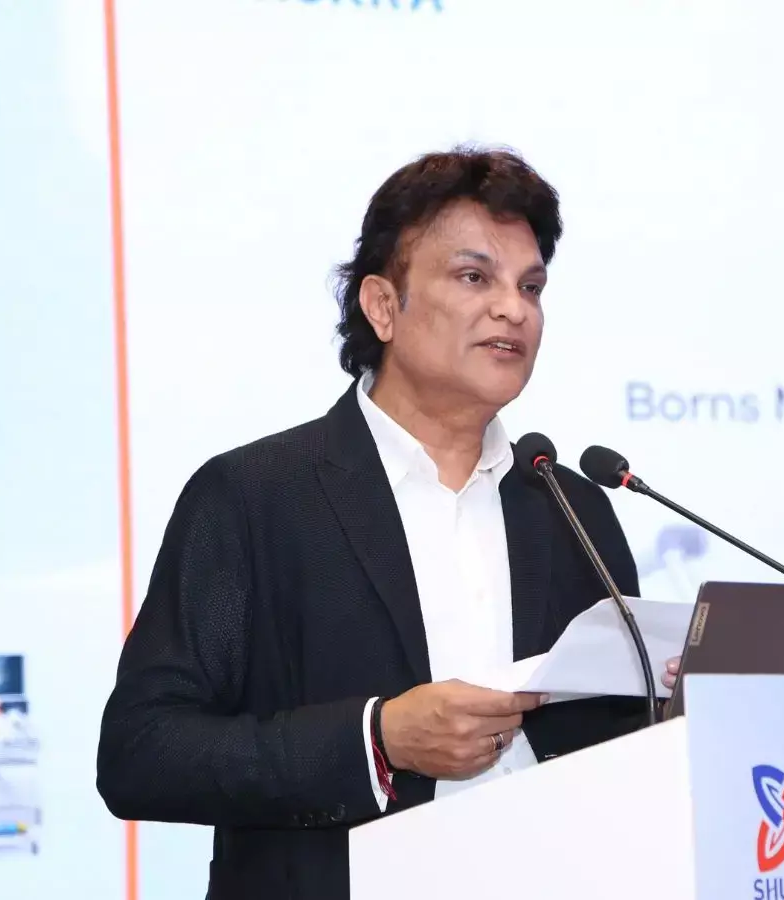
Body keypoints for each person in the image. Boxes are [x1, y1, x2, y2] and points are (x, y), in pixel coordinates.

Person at [96, 145, 680, 900]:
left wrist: (675, 713)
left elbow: (612, 749)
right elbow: (142, 753)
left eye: (530, 286)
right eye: (474, 277)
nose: (514, 309)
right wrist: (375, 740)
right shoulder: (255, 496)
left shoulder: (571, 507)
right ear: (382, 306)